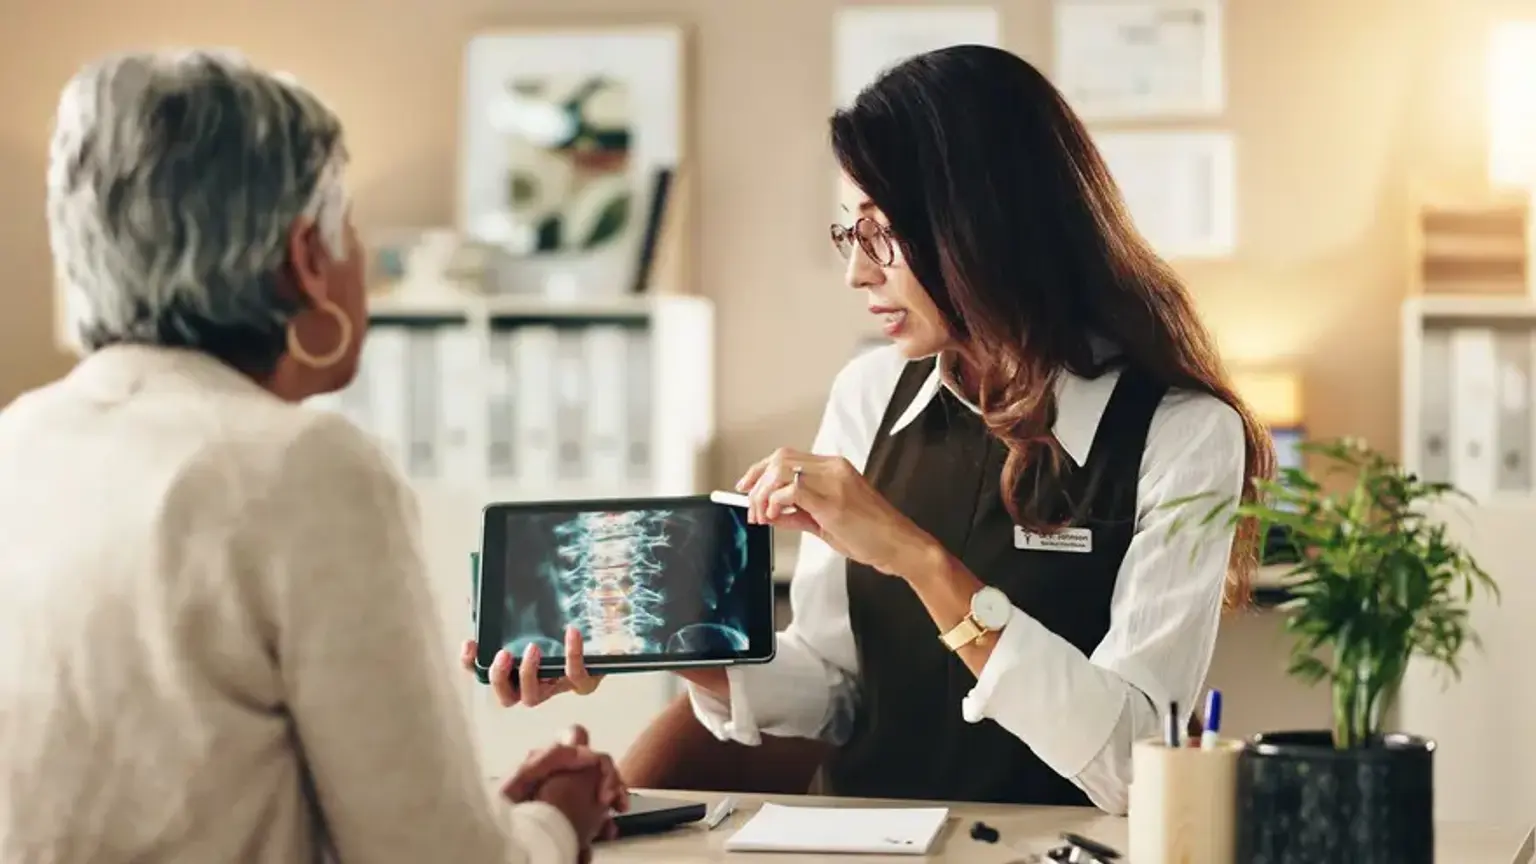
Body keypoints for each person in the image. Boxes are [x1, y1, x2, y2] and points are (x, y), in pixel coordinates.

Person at [464, 44, 1275, 815]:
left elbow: (1136, 763)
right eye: (850, 231)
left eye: (881, 233)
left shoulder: (1183, 434)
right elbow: (835, 690)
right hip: (869, 844)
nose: (857, 270)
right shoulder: (870, 394)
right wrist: (673, 644)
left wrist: (916, 558)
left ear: (980, 225)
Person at [0, 50, 627, 863]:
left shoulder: (20, 439)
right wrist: (560, 820)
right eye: (351, 225)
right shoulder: (305, 466)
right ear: (305, 257)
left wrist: (482, 817)